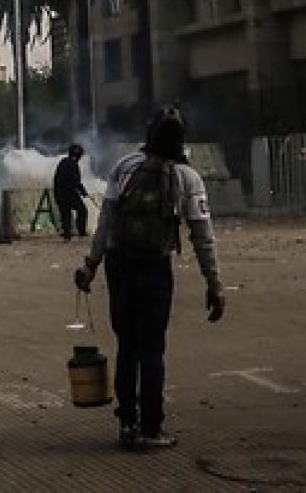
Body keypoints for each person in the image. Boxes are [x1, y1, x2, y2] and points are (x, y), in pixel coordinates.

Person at [73, 106, 225, 451]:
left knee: (127, 345)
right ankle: (151, 428)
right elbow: (203, 236)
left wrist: (89, 266)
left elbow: (105, 225)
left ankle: (127, 422)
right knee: (152, 349)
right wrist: (214, 284)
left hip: (119, 266)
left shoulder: (124, 168)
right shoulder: (188, 179)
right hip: (155, 268)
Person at [53, 142, 89, 240]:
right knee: (82, 210)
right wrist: (83, 191)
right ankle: (81, 231)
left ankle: (67, 233)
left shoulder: (63, 162)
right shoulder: (73, 164)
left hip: (59, 193)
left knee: (65, 213)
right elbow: (75, 181)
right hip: (69, 193)